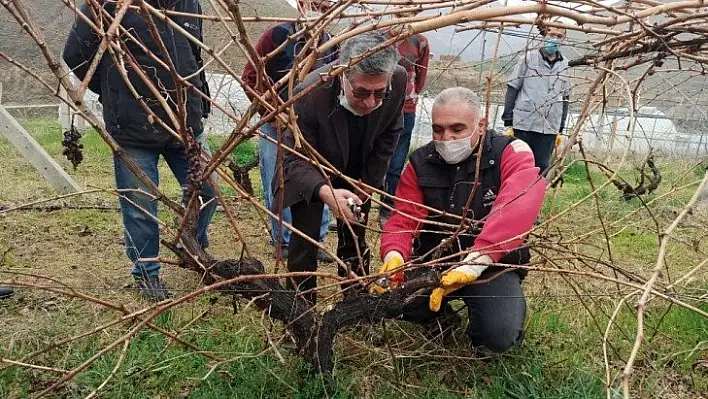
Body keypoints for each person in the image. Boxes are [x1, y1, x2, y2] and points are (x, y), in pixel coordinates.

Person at [63, 0, 215, 301]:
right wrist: (115, 89)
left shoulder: (188, 3)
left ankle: (191, 244)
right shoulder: (105, 4)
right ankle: (146, 273)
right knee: (141, 206)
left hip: (186, 122)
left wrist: (201, 96)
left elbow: (193, 55)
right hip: (132, 124)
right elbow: (75, 55)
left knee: (207, 191)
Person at [377, 87, 546, 355]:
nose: (447, 138)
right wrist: (394, 254)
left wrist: (478, 261)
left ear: (481, 124)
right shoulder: (420, 163)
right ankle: (441, 319)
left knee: (498, 336)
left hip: (493, 265)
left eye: (457, 129)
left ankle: (484, 330)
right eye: (438, 130)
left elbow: (519, 202)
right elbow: (403, 219)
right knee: (395, 300)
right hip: (437, 260)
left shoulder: (510, 151)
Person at [274, 32, 406, 305]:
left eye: (379, 93)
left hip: (361, 163)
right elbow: (294, 159)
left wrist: (367, 184)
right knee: (305, 238)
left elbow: (390, 133)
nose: (371, 102)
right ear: (342, 75)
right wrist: (325, 191)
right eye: (361, 92)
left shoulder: (398, 79)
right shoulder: (311, 92)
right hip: (314, 167)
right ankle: (301, 309)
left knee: (355, 234)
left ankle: (354, 301)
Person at [241, 0, 338, 262]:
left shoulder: (333, 43)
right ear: (303, 3)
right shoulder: (276, 36)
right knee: (278, 181)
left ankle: (315, 241)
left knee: (320, 177)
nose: (321, 10)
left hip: (314, 129)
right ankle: (282, 240)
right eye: (316, 4)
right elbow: (250, 77)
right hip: (277, 126)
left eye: (327, 7)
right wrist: (272, 112)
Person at [379, 8, 430, 227]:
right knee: (366, 157)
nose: (404, 15)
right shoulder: (379, 35)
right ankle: (355, 205)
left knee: (396, 162)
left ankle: (386, 209)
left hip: (405, 108)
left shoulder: (420, 41)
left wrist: (410, 96)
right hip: (377, 107)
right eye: (401, 9)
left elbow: (421, 74)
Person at [502, 26, 571, 174]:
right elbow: (513, 87)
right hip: (525, 123)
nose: (555, 39)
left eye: (559, 36)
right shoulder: (527, 59)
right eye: (552, 34)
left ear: (563, 40)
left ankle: (535, 196)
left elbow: (565, 96)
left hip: (549, 126)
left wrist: (561, 124)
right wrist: (508, 117)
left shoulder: (565, 64)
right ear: (544, 36)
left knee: (541, 167)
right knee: (519, 164)